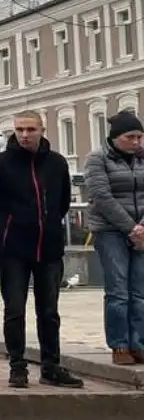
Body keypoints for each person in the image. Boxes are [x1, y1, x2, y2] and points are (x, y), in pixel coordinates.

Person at [0, 110, 83, 389]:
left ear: (42, 130)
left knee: (49, 310)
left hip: (48, 246)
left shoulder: (57, 163)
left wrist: (47, 224)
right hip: (12, 247)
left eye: (31, 129)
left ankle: (51, 366)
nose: (24, 135)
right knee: (15, 309)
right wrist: (9, 225)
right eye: (20, 129)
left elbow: (62, 203)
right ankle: (18, 366)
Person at [83, 110, 144, 365]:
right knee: (118, 290)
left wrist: (142, 227)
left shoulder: (142, 158)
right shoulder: (97, 159)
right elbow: (102, 197)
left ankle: (138, 343)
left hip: (141, 231)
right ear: (116, 137)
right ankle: (119, 345)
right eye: (131, 137)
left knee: (140, 291)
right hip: (110, 231)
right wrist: (132, 229)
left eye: (140, 137)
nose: (137, 142)